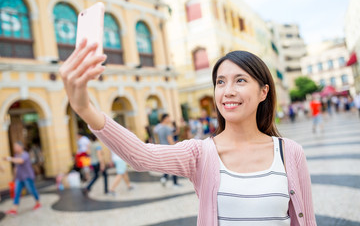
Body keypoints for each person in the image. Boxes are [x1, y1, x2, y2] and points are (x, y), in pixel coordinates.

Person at [59, 41, 316, 225]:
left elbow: (307, 220)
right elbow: (140, 155)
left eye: (240, 80)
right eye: (220, 82)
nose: (227, 91)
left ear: (264, 92)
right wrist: (84, 108)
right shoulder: (200, 153)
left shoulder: (290, 152)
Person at [3, 141, 41, 215]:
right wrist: (14, 177)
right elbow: (16, 167)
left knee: (32, 190)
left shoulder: (25, 154)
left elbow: (20, 161)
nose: (15, 148)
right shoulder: (16, 155)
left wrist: (9, 158)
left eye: (16, 146)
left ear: (21, 147)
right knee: (16, 192)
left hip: (27, 177)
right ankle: (14, 209)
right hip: (19, 178)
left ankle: (38, 203)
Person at [154, 114, 180, 188]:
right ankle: (175, 183)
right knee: (174, 166)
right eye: (168, 118)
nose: (169, 119)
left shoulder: (158, 128)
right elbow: (170, 140)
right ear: (164, 119)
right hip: (169, 149)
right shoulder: (167, 128)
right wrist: (175, 147)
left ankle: (164, 178)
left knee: (168, 166)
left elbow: (157, 139)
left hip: (162, 149)